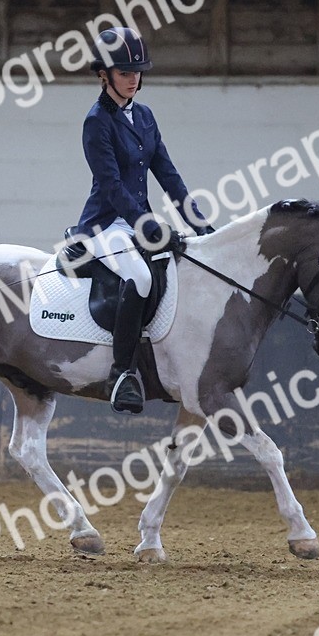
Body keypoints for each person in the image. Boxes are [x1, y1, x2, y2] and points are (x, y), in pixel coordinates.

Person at [78, 26, 212, 414]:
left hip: (137, 221)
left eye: (138, 71)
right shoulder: (96, 122)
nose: (133, 78)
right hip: (106, 224)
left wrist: (198, 222)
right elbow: (112, 186)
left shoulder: (146, 116)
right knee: (138, 277)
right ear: (104, 75)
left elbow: (167, 174)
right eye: (124, 72)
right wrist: (147, 225)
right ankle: (122, 374)